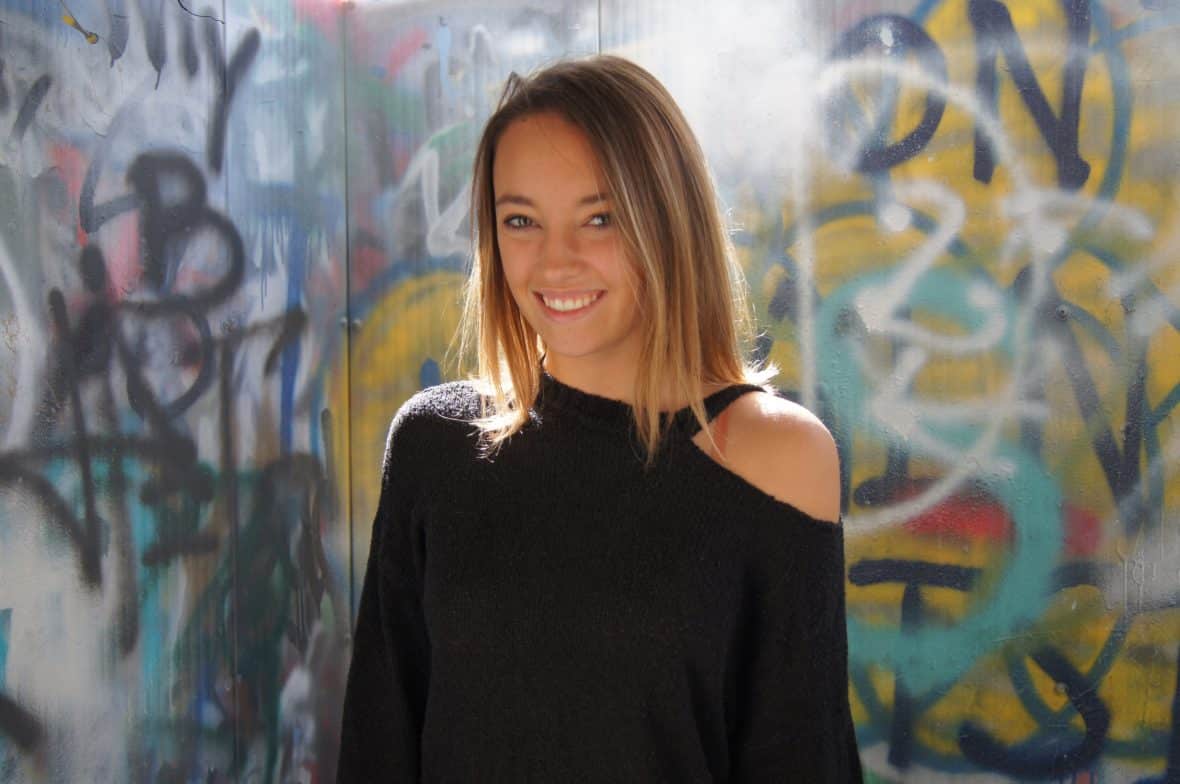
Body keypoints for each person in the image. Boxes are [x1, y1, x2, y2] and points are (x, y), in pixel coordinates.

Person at [337, 54, 863, 782]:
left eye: (600, 217)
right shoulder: (434, 445)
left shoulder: (774, 457)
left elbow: (801, 759)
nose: (557, 262)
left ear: (668, 221)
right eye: (521, 220)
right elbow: (379, 745)